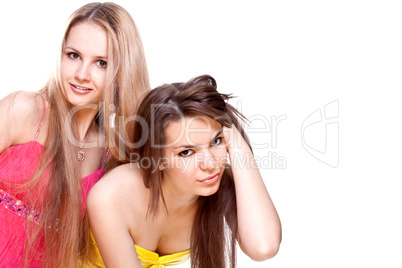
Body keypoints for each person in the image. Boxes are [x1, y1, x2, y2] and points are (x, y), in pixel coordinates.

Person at [0, 2, 149, 267]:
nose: (81, 74)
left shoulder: (112, 153)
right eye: (73, 55)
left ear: (120, 73)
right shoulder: (25, 110)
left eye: (101, 63)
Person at [87, 75, 282, 268]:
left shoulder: (220, 184)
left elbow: (263, 247)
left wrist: (239, 146)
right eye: (186, 152)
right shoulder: (111, 197)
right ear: (157, 159)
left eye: (216, 141)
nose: (210, 163)